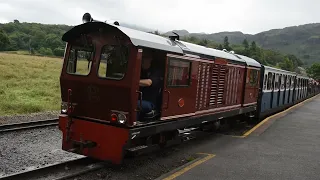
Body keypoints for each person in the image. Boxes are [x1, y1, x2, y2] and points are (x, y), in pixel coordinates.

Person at [137, 52, 162, 121]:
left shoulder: (155, 72)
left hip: (150, 102)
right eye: (142, 58)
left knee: (135, 104)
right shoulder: (140, 71)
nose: (143, 60)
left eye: (145, 58)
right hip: (138, 98)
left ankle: (134, 122)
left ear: (150, 59)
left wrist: (133, 82)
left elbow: (148, 82)